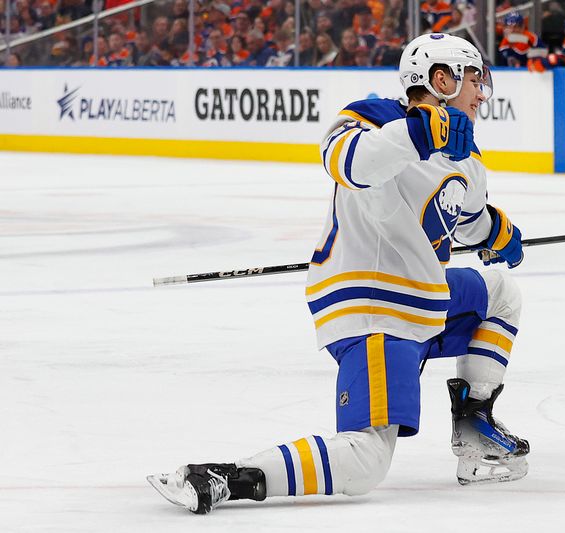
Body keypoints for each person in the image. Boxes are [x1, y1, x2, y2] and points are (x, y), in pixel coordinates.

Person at [148, 32, 530, 515]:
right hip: (374, 306)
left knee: (499, 293)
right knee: (366, 459)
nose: (482, 92)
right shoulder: (374, 119)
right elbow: (350, 164)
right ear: (442, 79)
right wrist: (420, 133)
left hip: (424, 302)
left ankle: (474, 427)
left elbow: (466, 219)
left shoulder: (468, 158)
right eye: (474, 79)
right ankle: (227, 477)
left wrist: (497, 231)